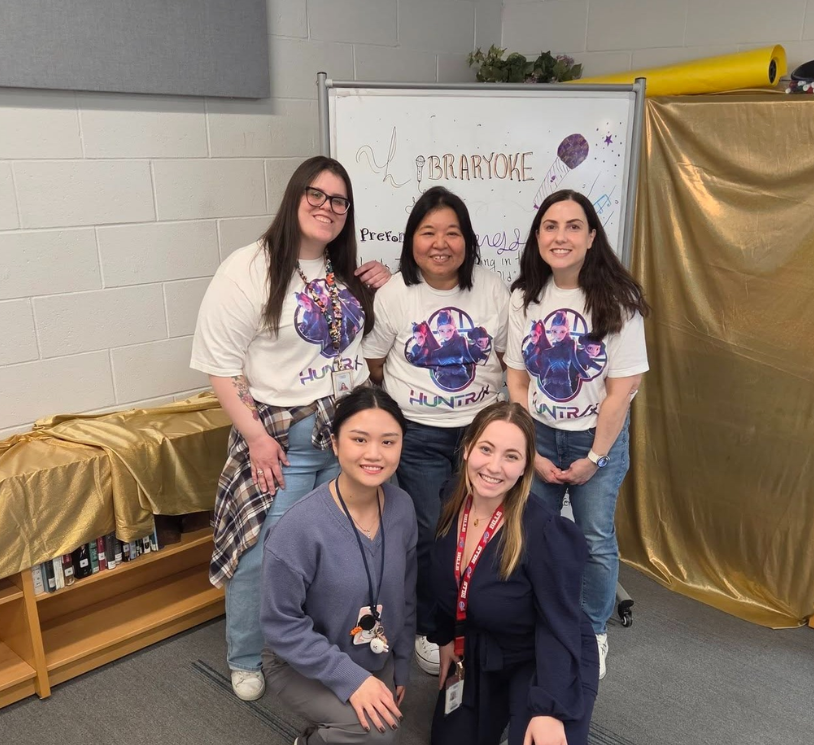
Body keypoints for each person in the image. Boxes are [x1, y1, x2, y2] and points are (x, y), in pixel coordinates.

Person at [190, 155, 389, 702]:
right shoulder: (248, 268)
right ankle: (245, 655)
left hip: (347, 436)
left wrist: (381, 285)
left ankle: (323, 641)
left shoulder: (340, 271)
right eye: (316, 195)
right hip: (282, 444)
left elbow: (356, 343)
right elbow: (220, 365)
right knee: (261, 552)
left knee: (341, 547)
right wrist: (256, 437)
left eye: (339, 201)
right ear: (295, 196)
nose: (327, 207)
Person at [363, 186, 510, 677]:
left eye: (452, 232)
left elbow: (511, 361)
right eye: (428, 232)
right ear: (412, 240)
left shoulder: (493, 289)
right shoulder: (395, 294)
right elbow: (374, 360)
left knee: (482, 531)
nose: (440, 243)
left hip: (480, 436)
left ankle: (479, 618)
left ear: (468, 239)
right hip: (419, 437)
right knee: (431, 530)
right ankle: (433, 626)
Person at [260, 385, 419, 745]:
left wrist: (400, 665)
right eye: (359, 439)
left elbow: (406, 594)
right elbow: (280, 627)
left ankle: (337, 730)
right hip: (300, 662)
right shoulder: (299, 528)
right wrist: (352, 681)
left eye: (388, 442)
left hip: (372, 648)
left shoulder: (402, 507)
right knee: (373, 733)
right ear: (334, 443)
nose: (375, 454)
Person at [504, 190, 648, 676]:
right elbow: (518, 380)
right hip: (539, 434)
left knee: (593, 538)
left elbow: (620, 391)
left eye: (572, 226)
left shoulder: (619, 301)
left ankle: (592, 631)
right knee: (534, 533)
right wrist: (529, 449)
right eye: (550, 225)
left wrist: (596, 458)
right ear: (538, 235)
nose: (559, 236)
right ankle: (539, 619)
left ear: (590, 237)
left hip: (597, 440)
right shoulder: (524, 297)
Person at [423, 401, 599, 745]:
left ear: (525, 466)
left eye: (511, 456)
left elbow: (558, 623)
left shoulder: (545, 532)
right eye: (486, 449)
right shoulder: (454, 497)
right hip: (482, 647)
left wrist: (550, 708)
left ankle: (560, 706)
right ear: (467, 447)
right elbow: (445, 580)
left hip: (536, 651)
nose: (494, 466)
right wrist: (447, 637)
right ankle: (504, 706)